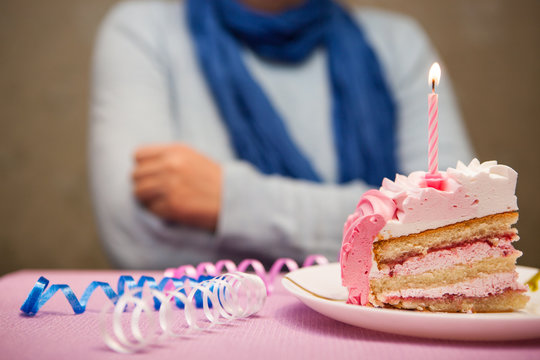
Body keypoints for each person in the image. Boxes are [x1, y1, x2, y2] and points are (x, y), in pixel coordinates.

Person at [89, 0, 473, 269]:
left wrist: (232, 204)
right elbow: (137, 241)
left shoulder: (398, 42)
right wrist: (387, 224)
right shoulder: (143, 31)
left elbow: (450, 224)